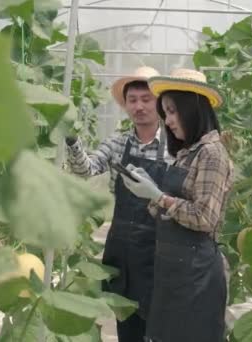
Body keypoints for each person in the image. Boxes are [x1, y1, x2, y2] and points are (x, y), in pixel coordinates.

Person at [120, 68, 234, 342]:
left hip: (197, 273)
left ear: (191, 108)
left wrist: (159, 196)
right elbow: (169, 212)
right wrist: (150, 190)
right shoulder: (186, 153)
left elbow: (205, 217)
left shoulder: (211, 153)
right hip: (173, 269)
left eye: (172, 111)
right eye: (166, 112)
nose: (167, 120)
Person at [65, 66, 173, 342]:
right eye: (132, 100)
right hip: (122, 248)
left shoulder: (175, 148)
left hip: (159, 249)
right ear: (125, 106)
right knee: (127, 323)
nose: (139, 106)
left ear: (159, 104)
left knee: (160, 325)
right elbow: (86, 170)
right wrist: (72, 141)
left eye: (146, 99)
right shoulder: (118, 143)